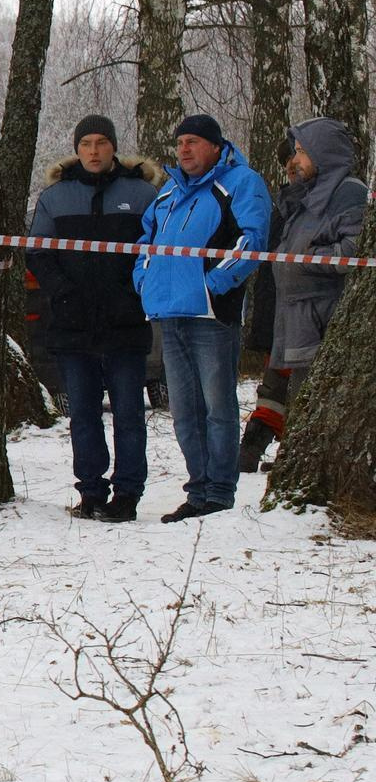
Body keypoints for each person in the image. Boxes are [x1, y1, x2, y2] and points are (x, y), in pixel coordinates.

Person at [135, 112, 272, 521]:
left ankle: (219, 493)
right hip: (168, 311)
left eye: (193, 142)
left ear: (215, 146)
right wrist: (145, 279)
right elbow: (146, 240)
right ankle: (197, 491)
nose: (184, 150)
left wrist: (215, 284)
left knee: (217, 407)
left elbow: (253, 240)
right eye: (180, 143)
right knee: (184, 410)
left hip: (212, 314)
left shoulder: (241, 183)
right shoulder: (168, 192)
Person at [26, 115, 164, 520]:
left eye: (101, 142)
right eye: (86, 143)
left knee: (129, 413)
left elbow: (156, 247)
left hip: (125, 320)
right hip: (73, 322)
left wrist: (134, 291)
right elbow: (37, 251)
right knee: (83, 415)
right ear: (76, 148)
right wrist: (62, 293)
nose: (93, 151)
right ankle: (90, 491)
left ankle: (127, 494)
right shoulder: (56, 197)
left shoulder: (141, 193)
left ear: (113, 147)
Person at [244, 118, 366, 472]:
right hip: (295, 317)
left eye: (301, 152)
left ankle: (316, 472)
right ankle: (299, 465)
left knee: (319, 402)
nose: (294, 160)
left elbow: (354, 250)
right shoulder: (307, 194)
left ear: (322, 153)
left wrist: (308, 260)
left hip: (323, 317)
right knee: (297, 398)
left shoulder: (348, 192)